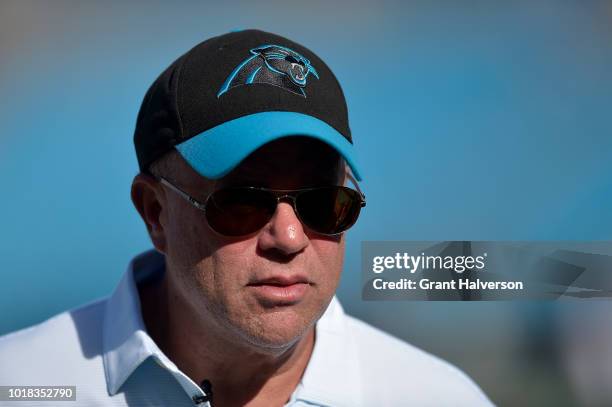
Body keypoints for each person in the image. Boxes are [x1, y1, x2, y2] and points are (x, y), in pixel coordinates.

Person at [0, 29, 493, 406]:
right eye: (242, 201)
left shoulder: (438, 396)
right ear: (155, 212)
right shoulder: (20, 383)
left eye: (325, 203)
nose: (289, 236)